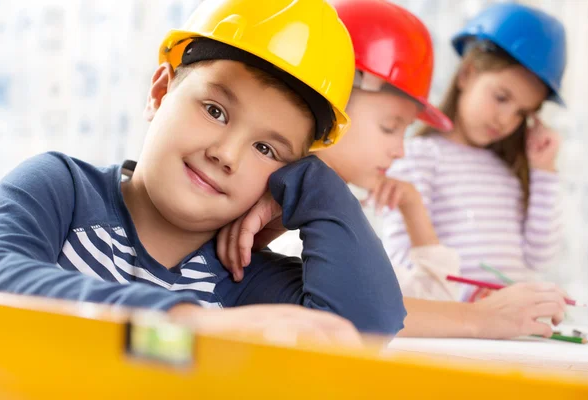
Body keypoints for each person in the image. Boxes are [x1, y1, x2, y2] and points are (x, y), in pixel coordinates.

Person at [0, 0, 408, 345]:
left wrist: (313, 185)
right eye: (215, 111)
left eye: (266, 149)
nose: (226, 154)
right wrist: (188, 322)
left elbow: (363, 331)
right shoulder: (62, 191)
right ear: (160, 93)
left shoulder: (241, 279)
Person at [220, 0, 566, 339]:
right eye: (390, 126)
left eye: (522, 112)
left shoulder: (314, 202)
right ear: (331, 101)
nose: (400, 150)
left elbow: (371, 305)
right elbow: (369, 312)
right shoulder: (266, 194)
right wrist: (477, 318)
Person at [380, 3, 565, 302]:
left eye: (522, 112)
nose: (506, 119)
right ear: (466, 74)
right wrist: (467, 296)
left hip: (507, 325)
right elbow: (403, 260)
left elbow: (539, 257)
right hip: (456, 323)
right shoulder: (419, 156)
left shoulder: (507, 170)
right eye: (502, 97)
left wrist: (544, 170)